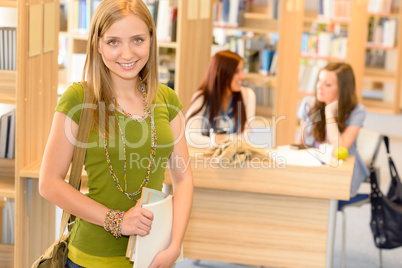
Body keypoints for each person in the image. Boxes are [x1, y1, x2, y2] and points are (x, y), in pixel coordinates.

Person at [39, 0, 193, 267]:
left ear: (151, 41)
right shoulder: (79, 98)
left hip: (150, 254)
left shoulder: (167, 100)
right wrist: (118, 220)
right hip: (90, 258)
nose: (127, 53)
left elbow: (184, 178)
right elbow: (49, 183)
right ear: (97, 44)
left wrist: (174, 246)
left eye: (137, 40)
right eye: (113, 42)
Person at [296, 62, 369, 195]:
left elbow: (339, 150)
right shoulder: (308, 104)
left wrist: (329, 113)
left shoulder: (357, 111)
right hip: (313, 169)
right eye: (319, 80)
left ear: (342, 89)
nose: (319, 87)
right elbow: (300, 144)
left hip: (341, 174)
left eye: (327, 84)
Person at [185, 50, 256, 148]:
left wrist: (218, 141)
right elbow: (190, 137)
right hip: (207, 158)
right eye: (236, 72)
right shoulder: (201, 97)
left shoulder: (248, 96)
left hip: (234, 158)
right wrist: (219, 143)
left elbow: (245, 136)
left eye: (242, 70)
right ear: (221, 73)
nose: (242, 76)